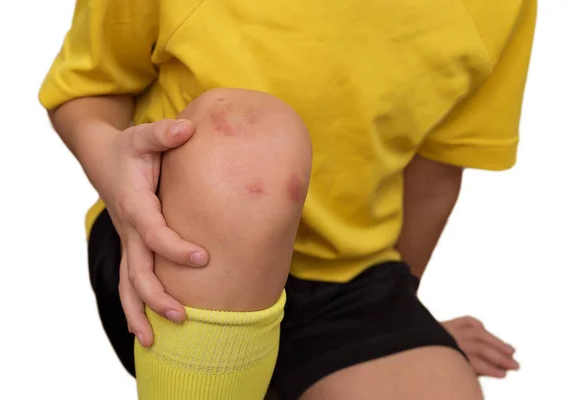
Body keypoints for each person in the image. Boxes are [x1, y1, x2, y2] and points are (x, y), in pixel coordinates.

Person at [39, 0, 536, 398]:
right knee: (249, 140)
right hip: (168, 248)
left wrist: (403, 316)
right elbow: (87, 88)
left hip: (349, 282)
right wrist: (118, 184)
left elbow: (435, 173)